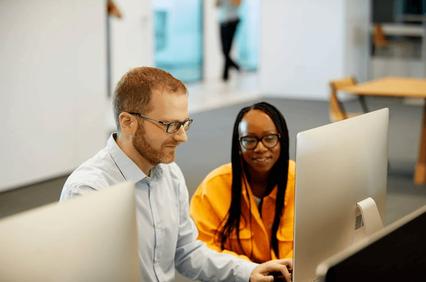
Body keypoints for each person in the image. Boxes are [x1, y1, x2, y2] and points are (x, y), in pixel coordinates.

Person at [60, 67, 292, 282]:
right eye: (170, 125)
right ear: (128, 122)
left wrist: (248, 271)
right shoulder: (88, 191)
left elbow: (187, 251)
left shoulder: (170, 174)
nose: (182, 137)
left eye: (184, 124)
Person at [190, 102, 295, 263]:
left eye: (269, 138)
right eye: (250, 140)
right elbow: (200, 249)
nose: (260, 148)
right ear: (238, 144)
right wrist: (248, 271)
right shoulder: (212, 187)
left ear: (282, 140)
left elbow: (319, 235)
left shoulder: (301, 179)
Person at [217, 0, 241, 81]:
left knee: (227, 48)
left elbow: (238, 3)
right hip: (222, 21)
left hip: (232, 22)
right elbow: (216, 5)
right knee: (224, 50)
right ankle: (235, 66)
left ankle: (225, 75)